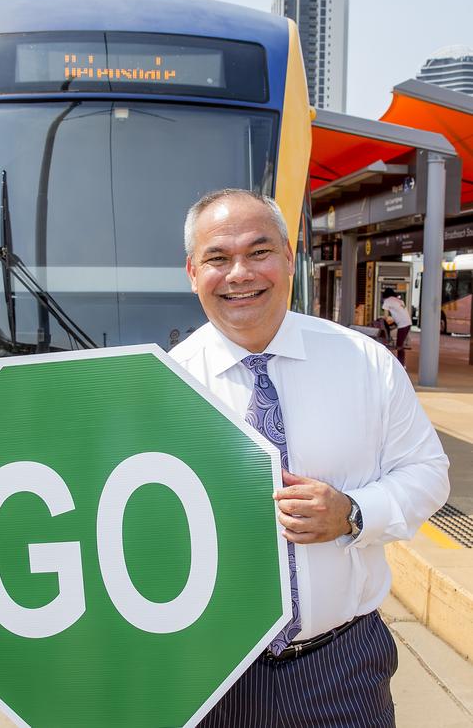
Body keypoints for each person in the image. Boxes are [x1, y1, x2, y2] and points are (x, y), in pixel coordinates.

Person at [170, 189, 449, 727]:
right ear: (192, 271)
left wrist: (354, 513)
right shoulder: (162, 386)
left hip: (341, 669)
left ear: (290, 259)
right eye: (217, 258)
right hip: (208, 675)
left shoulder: (364, 362)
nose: (239, 274)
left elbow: (428, 472)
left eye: (259, 252)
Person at [381, 286, 412, 367]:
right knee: (400, 344)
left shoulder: (387, 300)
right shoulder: (399, 300)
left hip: (402, 324)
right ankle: (401, 363)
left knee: (399, 345)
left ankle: (401, 365)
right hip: (408, 322)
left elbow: (386, 316)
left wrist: (383, 321)